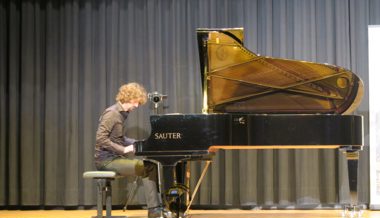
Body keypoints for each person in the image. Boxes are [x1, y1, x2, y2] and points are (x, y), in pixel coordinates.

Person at [94, 82, 164, 218]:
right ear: (128, 97)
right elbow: (101, 139)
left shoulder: (121, 114)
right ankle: (154, 211)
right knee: (148, 167)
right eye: (136, 102)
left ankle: (156, 208)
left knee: (150, 164)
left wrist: (140, 143)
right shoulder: (112, 113)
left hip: (115, 158)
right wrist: (123, 149)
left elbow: (119, 138)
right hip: (105, 161)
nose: (137, 106)